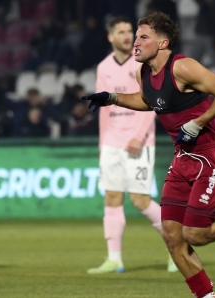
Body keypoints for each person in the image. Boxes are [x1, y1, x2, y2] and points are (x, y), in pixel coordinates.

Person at [81, 12, 215, 298]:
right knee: (171, 236)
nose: (136, 42)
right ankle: (207, 296)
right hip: (182, 159)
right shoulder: (142, 72)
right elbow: (148, 101)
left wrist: (197, 123)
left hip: (210, 157)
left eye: (143, 37)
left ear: (162, 43)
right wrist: (112, 98)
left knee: (195, 234)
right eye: (136, 36)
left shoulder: (182, 67)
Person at [86, 15, 177, 274]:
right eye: (122, 32)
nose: (128, 36)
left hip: (139, 142)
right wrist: (103, 144)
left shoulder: (143, 65)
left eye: (131, 32)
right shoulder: (103, 67)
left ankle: (177, 249)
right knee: (112, 198)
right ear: (111, 37)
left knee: (139, 200)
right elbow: (103, 108)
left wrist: (139, 136)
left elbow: (151, 102)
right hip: (112, 143)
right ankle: (114, 259)